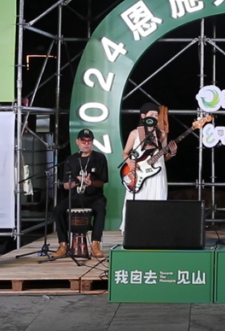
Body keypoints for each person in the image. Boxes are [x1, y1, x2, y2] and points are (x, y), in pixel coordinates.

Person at [120, 103, 177, 235]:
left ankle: (155, 231)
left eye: (156, 115)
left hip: (157, 173)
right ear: (143, 116)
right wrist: (129, 162)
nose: (154, 117)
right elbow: (125, 153)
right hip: (139, 172)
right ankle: (133, 230)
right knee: (137, 199)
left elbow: (163, 157)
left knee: (157, 199)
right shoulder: (134, 133)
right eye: (151, 114)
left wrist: (172, 153)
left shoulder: (162, 134)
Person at [53, 128, 109, 259]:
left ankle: (95, 244)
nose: (86, 144)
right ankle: (63, 244)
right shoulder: (70, 160)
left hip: (94, 197)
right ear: (77, 142)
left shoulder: (99, 157)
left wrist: (91, 183)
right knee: (58, 209)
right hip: (75, 197)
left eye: (89, 141)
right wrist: (77, 181)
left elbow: (102, 181)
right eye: (83, 141)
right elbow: (66, 185)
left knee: (101, 209)